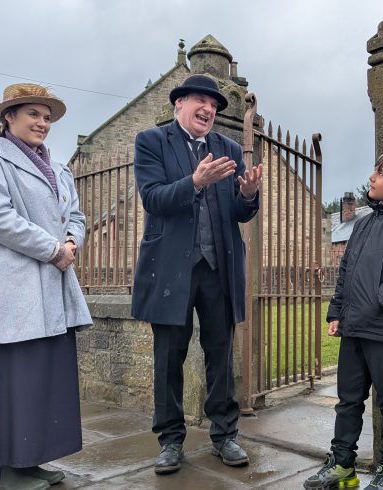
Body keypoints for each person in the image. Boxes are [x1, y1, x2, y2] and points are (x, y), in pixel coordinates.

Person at [131, 74, 262, 474]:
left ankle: (225, 435)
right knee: (169, 357)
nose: (208, 109)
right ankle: (170, 440)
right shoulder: (151, 142)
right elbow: (153, 199)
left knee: (220, 355)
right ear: (179, 105)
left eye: (214, 104)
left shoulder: (227, 148)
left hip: (217, 267)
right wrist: (194, 182)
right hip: (171, 268)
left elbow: (239, 214)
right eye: (200, 101)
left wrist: (247, 195)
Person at [0, 83, 92, 490]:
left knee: (42, 377)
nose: (42, 123)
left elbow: (76, 216)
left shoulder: (60, 168)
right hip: (11, 286)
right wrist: (52, 249)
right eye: (33, 114)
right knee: (12, 377)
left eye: (47, 117)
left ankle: (28, 461)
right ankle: (4, 471)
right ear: (8, 116)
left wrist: (72, 243)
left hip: (52, 285)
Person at [303, 149, 383, 490]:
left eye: (381, 173)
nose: (372, 178)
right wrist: (336, 311)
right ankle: (342, 464)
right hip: (354, 327)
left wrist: (377, 300)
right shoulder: (362, 224)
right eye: (374, 171)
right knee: (348, 400)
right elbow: (345, 272)